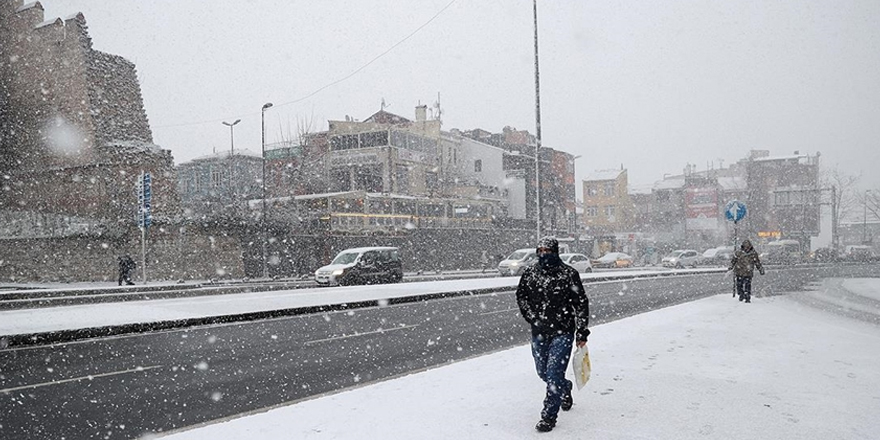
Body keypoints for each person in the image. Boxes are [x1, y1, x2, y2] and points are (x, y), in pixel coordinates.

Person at [515, 237, 590, 433]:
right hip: (539, 332)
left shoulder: (569, 274)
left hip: (563, 331)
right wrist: (531, 316)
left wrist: (581, 331)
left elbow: (581, 303)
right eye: (540, 250)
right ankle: (565, 388)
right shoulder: (530, 273)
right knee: (543, 372)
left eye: (547, 250)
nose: (543, 254)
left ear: (555, 252)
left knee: (554, 373)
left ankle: (548, 416)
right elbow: (521, 296)